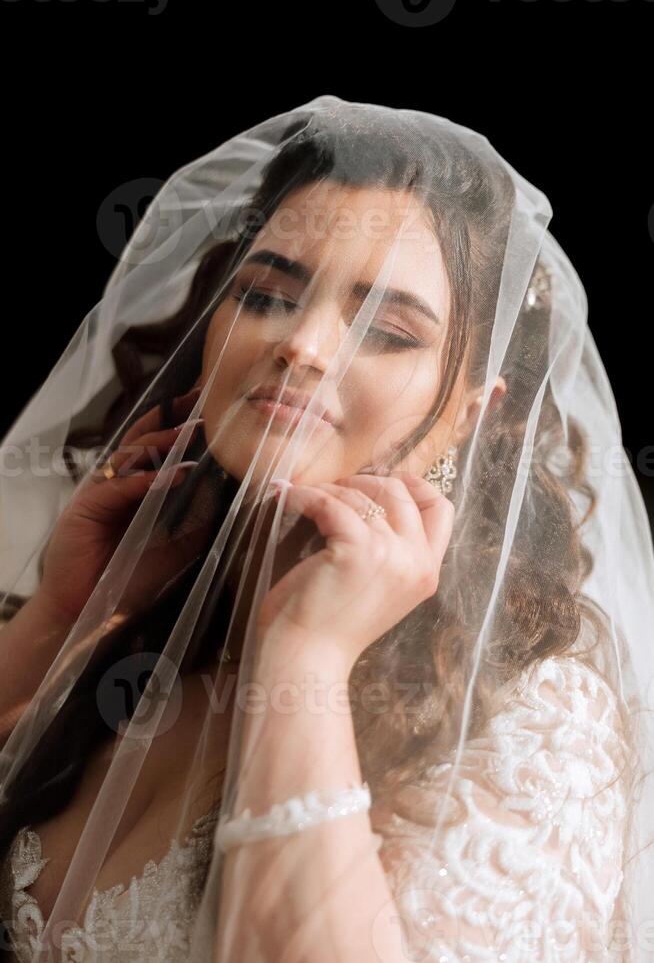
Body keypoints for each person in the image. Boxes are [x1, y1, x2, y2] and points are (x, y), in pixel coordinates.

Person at [0, 94, 652, 962]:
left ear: (466, 414)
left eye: (385, 329)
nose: (305, 345)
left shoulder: (529, 716)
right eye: (267, 294)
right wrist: (57, 619)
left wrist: (304, 656)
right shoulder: (141, 640)